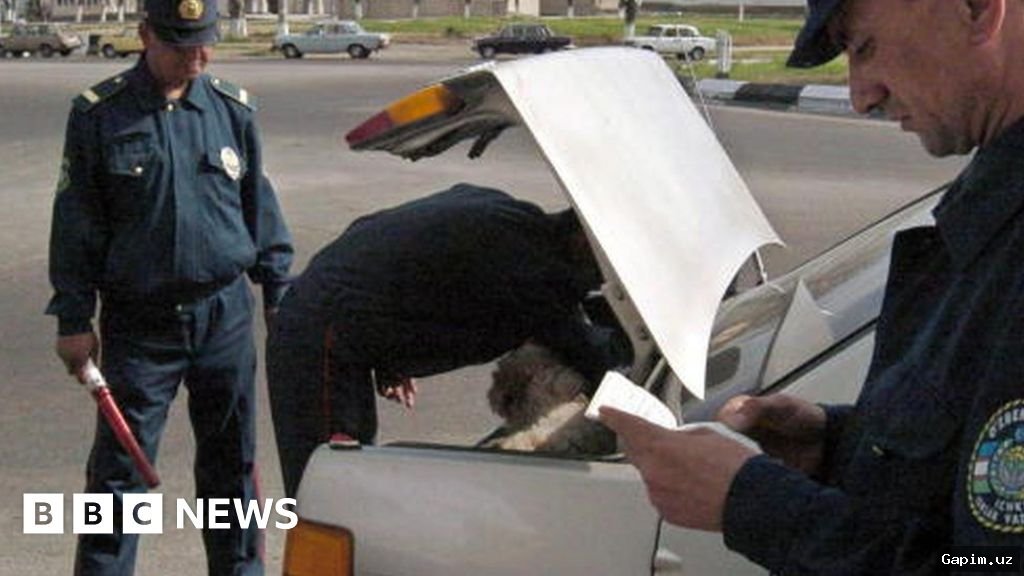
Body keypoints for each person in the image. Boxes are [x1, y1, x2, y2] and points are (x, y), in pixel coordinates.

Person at [601, 0, 1024, 572]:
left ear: (976, 10)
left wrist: (755, 504)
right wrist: (837, 445)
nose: (860, 96)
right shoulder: (994, 203)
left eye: (865, 47)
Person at [46, 0, 293, 573]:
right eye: (181, 45)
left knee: (232, 468)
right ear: (145, 35)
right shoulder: (99, 115)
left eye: (205, 42)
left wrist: (280, 295)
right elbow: (76, 220)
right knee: (118, 476)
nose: (196, 56)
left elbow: (260, 208)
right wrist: (73, 320)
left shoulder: (232, 110)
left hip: (225, 316)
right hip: (141, 324)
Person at [267, 183, 629, 498]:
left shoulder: (505, 216)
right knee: (331, 484)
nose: (592, 282)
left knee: (347, 471)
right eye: (599, 272)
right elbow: (591, 355)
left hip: (335, 311)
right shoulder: (532, 270)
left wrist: (387, 340)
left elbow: (380, 239)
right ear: (584, 241)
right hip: (323, 330)